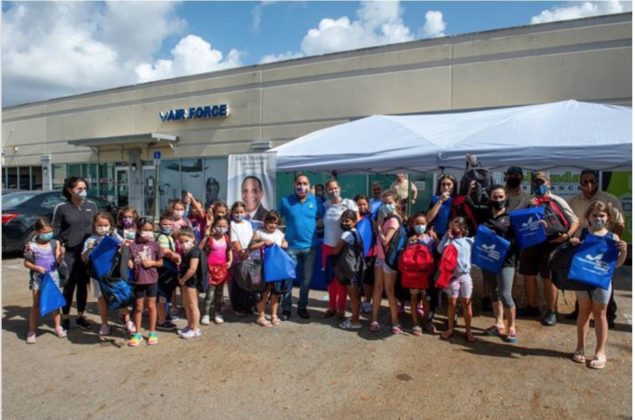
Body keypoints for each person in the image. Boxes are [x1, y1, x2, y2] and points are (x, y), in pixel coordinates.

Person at [517, 171, 579, 326]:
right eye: (535, 182)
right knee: (528, 275)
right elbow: (517, 218)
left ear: (549, 183)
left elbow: (575, 220)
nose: (538, 185)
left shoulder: (556, 200)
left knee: (548, 278)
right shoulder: (528, 200)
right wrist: (527, 206)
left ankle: (552, 311)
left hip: (551, 244)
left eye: (541, 182)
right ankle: (532, 307)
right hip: (531, 244)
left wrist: (567, 235)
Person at [570, 201, 627, 369]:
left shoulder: (613, 238)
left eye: (601, 216)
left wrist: (623, 251)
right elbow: (575, 259)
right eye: (594, 215)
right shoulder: (582, 233)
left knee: (601, 315)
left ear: (608, 218)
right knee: (584, 312)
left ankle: (600, 351)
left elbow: (615, 265)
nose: (598, 219)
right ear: (588, 216)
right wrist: (573, 245)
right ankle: (580, 347)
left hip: (602, 282)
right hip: (582, 280)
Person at [567, 169, 625, 326]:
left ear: (597, 181)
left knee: (603, 279)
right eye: (585, 181)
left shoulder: (610, 199)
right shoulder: (573, 201)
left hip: (603, 246)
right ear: (580, 183)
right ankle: (579, 310)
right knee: (581, 277)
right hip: (582, 245)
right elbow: (569, 222)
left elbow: (619, 223)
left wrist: (614, 243)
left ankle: (609, 313)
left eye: (592, 180)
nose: (589, 184)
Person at [52, 176, 97, 331]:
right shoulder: (62, 208)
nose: (83, 191)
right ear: (70, 190)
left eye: (85, 188)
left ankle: (80, 316)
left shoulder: (91, 206)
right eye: (79, 188)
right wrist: (59, 247)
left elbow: (97, 227)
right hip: (69, 253)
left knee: (84, 285)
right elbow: (55, 231)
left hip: (86, 253)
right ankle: (65, 317)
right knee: (69, 285)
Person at [278, 174, 323, 320]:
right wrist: (280, 237)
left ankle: (302, 307)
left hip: (310, 247)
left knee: (306, 279)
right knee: (288, 278)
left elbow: (325, 217)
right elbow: (275, 220)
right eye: (299, 183)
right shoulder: (285, 201)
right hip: (291, 247)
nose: (301, 186)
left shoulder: (316, 201)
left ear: (309, 186)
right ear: (294, 184)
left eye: (304, 183)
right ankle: (286, 308)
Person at [81, 211, 133, 337]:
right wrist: (89, 249)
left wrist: (124, 245)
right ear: (94, 225)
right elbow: (83, 258)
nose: (103, 228)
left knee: (120, 295)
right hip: (99, 275)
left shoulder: (114, 237)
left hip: (115, 273)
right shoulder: (90, 240)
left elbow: (124, 248)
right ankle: (104, 323)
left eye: (106, 225)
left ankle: (127, 320)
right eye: (100, 225)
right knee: (101, 298)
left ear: (111, 225)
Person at [481, 186, 519, 343]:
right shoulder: (484, 216)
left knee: (505, 294)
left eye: (501, 196)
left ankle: (512, 327)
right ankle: (499, 322)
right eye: (495, 197)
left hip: (506, 260)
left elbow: (518, 239)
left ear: (506, 198)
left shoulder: (512, 217)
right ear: (490, 198)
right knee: (493, 292)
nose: (498, 200)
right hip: (488, 258)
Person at [24, 218, 67, 343]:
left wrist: (61, 254)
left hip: (53, 277)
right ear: (37, 232)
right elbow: (26, 263)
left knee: (55, 303)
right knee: (36, 304)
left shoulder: (55, 243)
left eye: (50, 231)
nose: (48, 234)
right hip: (38, 278)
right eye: (45, 232)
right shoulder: (32, 246)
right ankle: (32, 331)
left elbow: (58, 260)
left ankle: (58, 326)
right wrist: (36, 268)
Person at [322, 179, 359, 320]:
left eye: (335, 188)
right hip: (327, 246)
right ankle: (331, 307)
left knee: (341, 280)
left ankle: (341, 310)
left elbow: (358, 222)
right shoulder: (326, 205)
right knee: (330, 280)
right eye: (330, 189)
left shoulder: (349, 203)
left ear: (340, 188)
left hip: (342, 247)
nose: (333, 191)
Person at [126, 218, 163, 347]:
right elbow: (128, 259)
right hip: (138, 281)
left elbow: (161, 262)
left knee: (152, 307)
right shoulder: (132, 245)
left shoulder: (155, 245)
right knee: (138, 308)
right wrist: (129, 262)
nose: (148, 233)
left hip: (152, 280)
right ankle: (137, 333)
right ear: (138, 230)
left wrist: (152, 263)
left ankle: (152, 332)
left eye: (150, 230)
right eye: (145, 230)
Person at [438, 217, 476, 342]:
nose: (454, 229)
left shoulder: (469, 241)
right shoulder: (450, 241)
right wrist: (446, 237)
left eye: (457, 227)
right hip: (451, 276)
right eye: (452, 226)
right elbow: (439, 249)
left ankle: (468, 330)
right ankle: (450, 328)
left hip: (465, 275)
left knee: (466, 302)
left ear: (463, 228)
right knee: (452, 302)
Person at [249, 210, 289, 327]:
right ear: (265, 222)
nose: (272, 225)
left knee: (276, 293)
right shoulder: (259, 232)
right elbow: (251, 246)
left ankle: (274, 315)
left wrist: (285, 244)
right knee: (264, 292)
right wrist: (263, 243)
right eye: (270, 222)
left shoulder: (280, 233)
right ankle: (260, 317)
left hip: (276, 268)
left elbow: (284, 245)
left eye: (275, 223)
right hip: (262, 267)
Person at [370, 191, 403, 334]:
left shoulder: (394, 220)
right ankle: (374, 319)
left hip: (389, 260)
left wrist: (378, 226)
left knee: (389, 291)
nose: (386, 206)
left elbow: (385, 240)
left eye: (389, 203)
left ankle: (395, 321)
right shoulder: (385, 217)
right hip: (380, 257)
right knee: (377, 289)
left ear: (396, 203)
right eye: (384, 203)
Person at [405, 212, 437, 336]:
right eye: (417, 223)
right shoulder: (410, 239)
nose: (420, 226)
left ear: (427, 225)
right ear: (413, 225)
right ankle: (415, 323)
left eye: (422, 223)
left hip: (426, 275)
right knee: (413, 298)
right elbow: (407, 257)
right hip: (413, 276)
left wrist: (436, 238)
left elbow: (437, 251)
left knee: (425, 298)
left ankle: (426, 321)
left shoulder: (430, 239)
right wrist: (410, 244)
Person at [333, 210, 365, 330]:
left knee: (353, 296)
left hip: (349, 269)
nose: (344, 223)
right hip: (357, 267)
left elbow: (335, 250)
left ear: (354, 221)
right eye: (343, 220)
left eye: (347, 221)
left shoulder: (346, 235)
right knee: (356, 296)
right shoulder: (357, 232)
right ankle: (354, 318)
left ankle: (355, 321)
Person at [201, 217, 232, 325]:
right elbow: (201, 250)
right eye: (219, 226)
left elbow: (229, 250)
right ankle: (205, 314)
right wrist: (206, 234)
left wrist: (230, 260)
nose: (221, 228)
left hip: (222, 269)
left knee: (219, 294)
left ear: (227, 227)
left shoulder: (227, 238)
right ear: (214, 226)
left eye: (224, 226)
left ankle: (217, 313)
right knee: (209, 293)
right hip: (210, 269)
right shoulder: (210, 239)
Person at [176, 228, 204, 339]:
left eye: (186, 241)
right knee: (186, 304)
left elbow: (192, 269)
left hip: (192, 282)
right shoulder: (185, 252)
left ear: (192, 239)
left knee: (193, 305)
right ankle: (189, 325)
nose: (184, 244)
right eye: (181, 242)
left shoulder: (195, 251)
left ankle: (196, 329)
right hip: (185, 281)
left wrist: (183, 279)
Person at [229, 201, 256, 316]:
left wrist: (250, 250)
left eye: (241, 212)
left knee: (252, 281)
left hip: (250, 254)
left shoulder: (248, 223)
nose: (239, 214)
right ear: (232, 212)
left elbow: (252, 238)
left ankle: (251, 305)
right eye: (236, 212)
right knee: (239, 282)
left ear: (245, 212)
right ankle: (238, 307)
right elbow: (234, 241)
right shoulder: (231, 224)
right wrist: (241, 253)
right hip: (238, 256)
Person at [155, 214, 180, 331]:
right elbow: (165, 250)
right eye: (165, 224)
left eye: (170, 224)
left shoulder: (169, 237)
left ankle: (164, 315)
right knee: (162, 296)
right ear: (160, 225)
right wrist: (173, 255)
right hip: (163, 270)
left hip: (169, 270)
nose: (167, 226)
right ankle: (161, 321)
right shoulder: (161, 237)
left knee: (167, 295)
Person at [354, 194, 375, 314]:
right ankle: (356, 302)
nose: (362, 207)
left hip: (370, 253)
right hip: (356, 253)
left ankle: (367, 302)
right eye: (359, 204)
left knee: (368, 280)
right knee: (356, 279)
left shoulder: (372, 216)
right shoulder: (353, 216)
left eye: (364, 204)